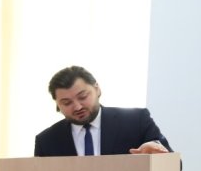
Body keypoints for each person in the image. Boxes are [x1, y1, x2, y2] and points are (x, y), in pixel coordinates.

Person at [34, 65, 173, 157]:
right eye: (67, 103)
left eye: (83, 97)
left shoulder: (136, 121)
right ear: (57, 104)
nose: (77, 107)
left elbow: (175, 166)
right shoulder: (46, 141)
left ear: (97, 89)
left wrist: (156, 154)